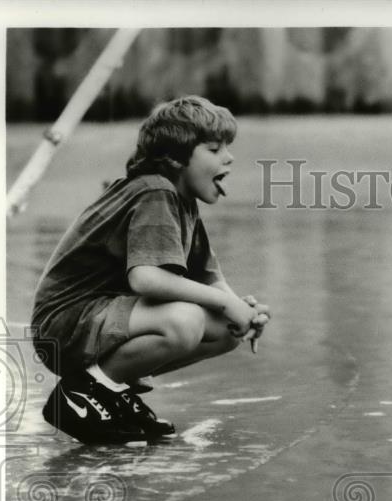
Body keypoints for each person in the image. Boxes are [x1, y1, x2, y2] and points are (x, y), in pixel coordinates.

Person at [32, 95, 270, 444]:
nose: (229, 157)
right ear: (175, 158)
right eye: (215, 149)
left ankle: (111, 390)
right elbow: (145, 278)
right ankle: (83, 393)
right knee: (186, 320)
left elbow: (209, 276)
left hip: (99, 319)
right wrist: (223, 304)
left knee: (226, 331)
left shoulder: (183, 202)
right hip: (66, 323)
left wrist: (242, 313)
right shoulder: (154, 192)